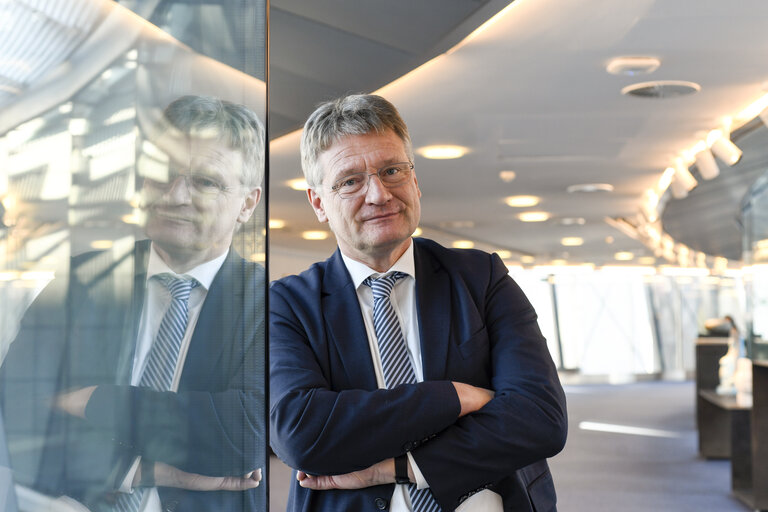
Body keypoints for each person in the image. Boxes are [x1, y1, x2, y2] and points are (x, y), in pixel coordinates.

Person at [269, 94, 567, 512]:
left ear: (415, 180)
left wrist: (398, 466)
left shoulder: (481, 278)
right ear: (318, 202)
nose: (379, 194)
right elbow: (301, 433)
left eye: (392, 171)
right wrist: (454, 398)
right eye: (350, 181)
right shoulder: (287, 304)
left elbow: (541, 420)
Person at [0, 95, 266, 512]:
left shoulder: (271, 302)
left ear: (248, 204)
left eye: (205, 182)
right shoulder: (78, 282)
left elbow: (246, 435)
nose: (175, 195)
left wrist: (91, 400)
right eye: (161, 173)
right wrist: (143, 469)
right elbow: (14, 415)